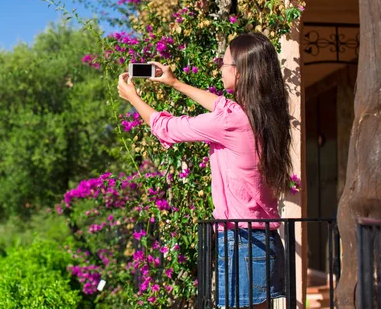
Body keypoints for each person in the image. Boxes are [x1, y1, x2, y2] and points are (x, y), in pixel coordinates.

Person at [117, 33, 290, 308]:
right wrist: (175, 83)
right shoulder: (266, 115)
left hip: (241, 242)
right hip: (265, 240)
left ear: (241, 71)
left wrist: (133, 98)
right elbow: (222, 106)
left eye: (225, 63)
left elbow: (168, 128)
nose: (220, 67)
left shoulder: (232, 121)